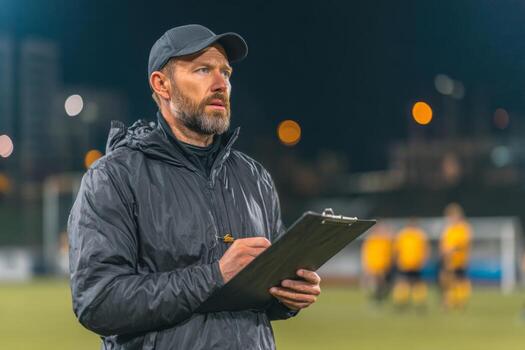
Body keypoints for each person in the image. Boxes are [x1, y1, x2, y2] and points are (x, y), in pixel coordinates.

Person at [68, 24, 321, 349]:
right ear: (162, 85)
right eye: (203, 70)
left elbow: (260, 294)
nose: (220, 84)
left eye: (226, 73)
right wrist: (215, 275)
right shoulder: (114, 177)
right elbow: (97, 301)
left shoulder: (254, 177)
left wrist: (287, 296)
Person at [438, 203, 472, 309]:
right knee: (446, 281)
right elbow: (443, 243)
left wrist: (452, 249)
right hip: (448, 260)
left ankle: (458, 302)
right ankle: (448, 302)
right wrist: (444, 252)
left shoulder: (464, 228)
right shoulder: (448, 229)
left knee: (460, 281)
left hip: (459, 260)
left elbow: (464, 243)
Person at [392, 219, 429, 309]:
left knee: (416, 284)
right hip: (405, 263)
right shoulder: (403, 235)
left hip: (416, 263)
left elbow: (425, 249)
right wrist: (397, 260)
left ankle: (419, 303)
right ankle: (402, 302)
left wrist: (423, 260)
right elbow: (397, 250)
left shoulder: (419, 235)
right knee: (404, 283)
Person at [361, 223, 394, 303]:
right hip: (373, 264)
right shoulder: (370, 239)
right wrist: (365, 264)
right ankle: (376, 298)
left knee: (382, 283)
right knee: (373, 283)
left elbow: (390, 251)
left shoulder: (385, 239)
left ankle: (379, 298)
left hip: (382, 264)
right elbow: (365, 252)